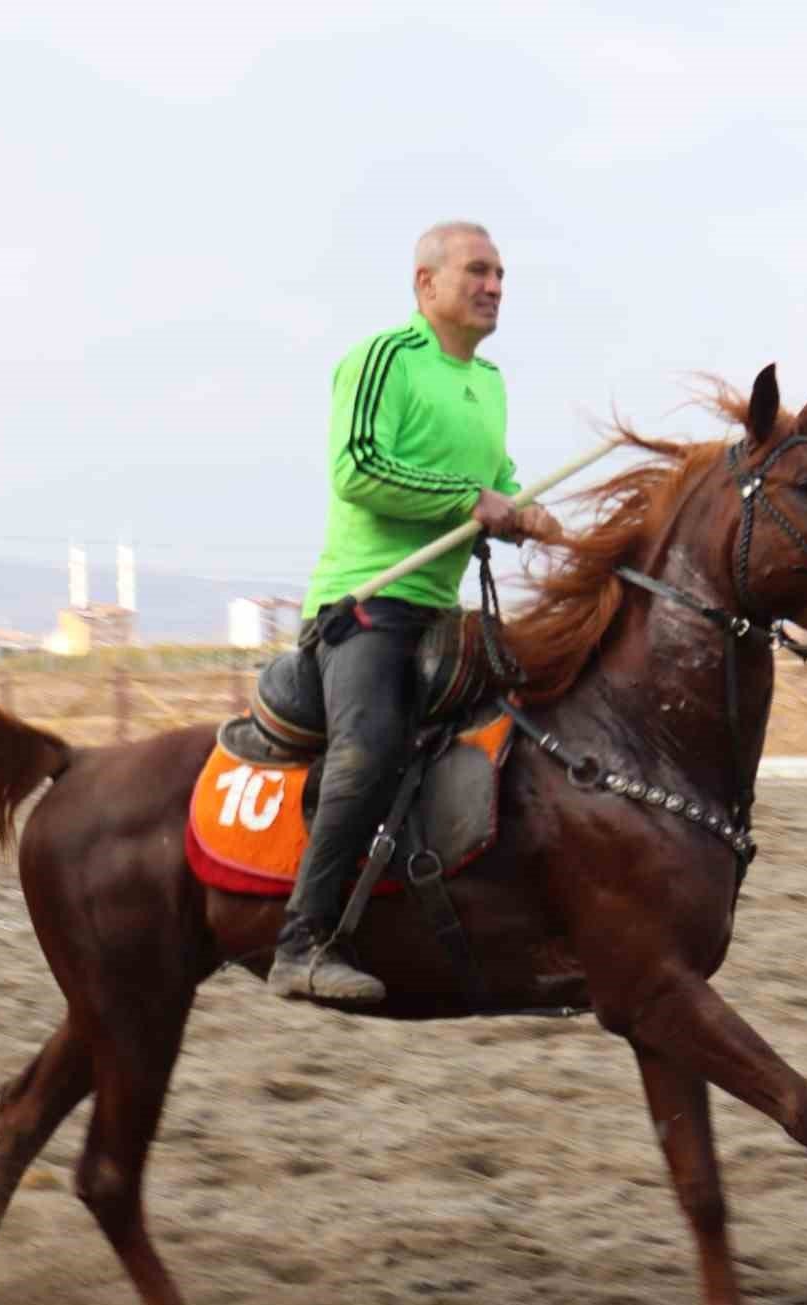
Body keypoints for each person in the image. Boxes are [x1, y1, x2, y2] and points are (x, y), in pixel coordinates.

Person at [267, 220, 558, 1005]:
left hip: (441, 611)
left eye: (501, 273)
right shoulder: (382, 358)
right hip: (366, 605)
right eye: (477, 271)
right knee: (370, 748)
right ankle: (303, 942)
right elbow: (357, 468)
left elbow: (498, 476)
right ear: (426, 284)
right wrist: (474, 501)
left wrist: (528, 512)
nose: (495, 286)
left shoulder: (490, 381)